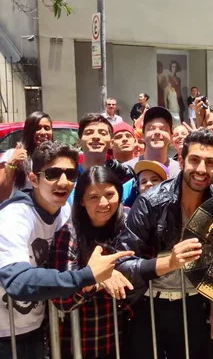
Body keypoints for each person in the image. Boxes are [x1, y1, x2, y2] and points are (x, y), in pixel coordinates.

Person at [0, 141, 132, 359]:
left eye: (70, 174)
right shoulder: (14, 217)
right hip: (5, 336)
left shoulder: (64, 214)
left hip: (34, 329)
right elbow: (17, 281)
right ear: (34, 179)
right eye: (52, 174)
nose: (63, 182)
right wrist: (87, 277)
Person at [115, 130, 213, 359]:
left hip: (195, 306)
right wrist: (169, 262)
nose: (201, 170)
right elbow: (123, 263)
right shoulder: (150, 201)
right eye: (194, 160)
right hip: (149, 306)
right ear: (181, 160)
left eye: (210, 162)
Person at [49, 166, 134, 359]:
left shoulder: (129, 220)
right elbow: (62, 299)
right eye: (94, 197)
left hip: (127, 338)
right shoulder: (68, 234)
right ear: (81, 201)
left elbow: (141, 263)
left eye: (110, 194)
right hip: (85, 343)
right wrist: (95, 279)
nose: (103, 203)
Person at [0, 111, 53, 201]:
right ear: (29, 131)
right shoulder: (12, 155)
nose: (43, 132)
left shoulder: (55, 157)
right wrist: (12, 164)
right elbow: (2, 195)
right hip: (19, 210)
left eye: (47, 128)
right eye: (38, 128)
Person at [123, 106, 180, 178]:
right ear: (143, 135)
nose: (157, 132)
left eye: (163, 129)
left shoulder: (179, 171)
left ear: (171, 136)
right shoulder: (127, 170)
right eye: (151, 128)